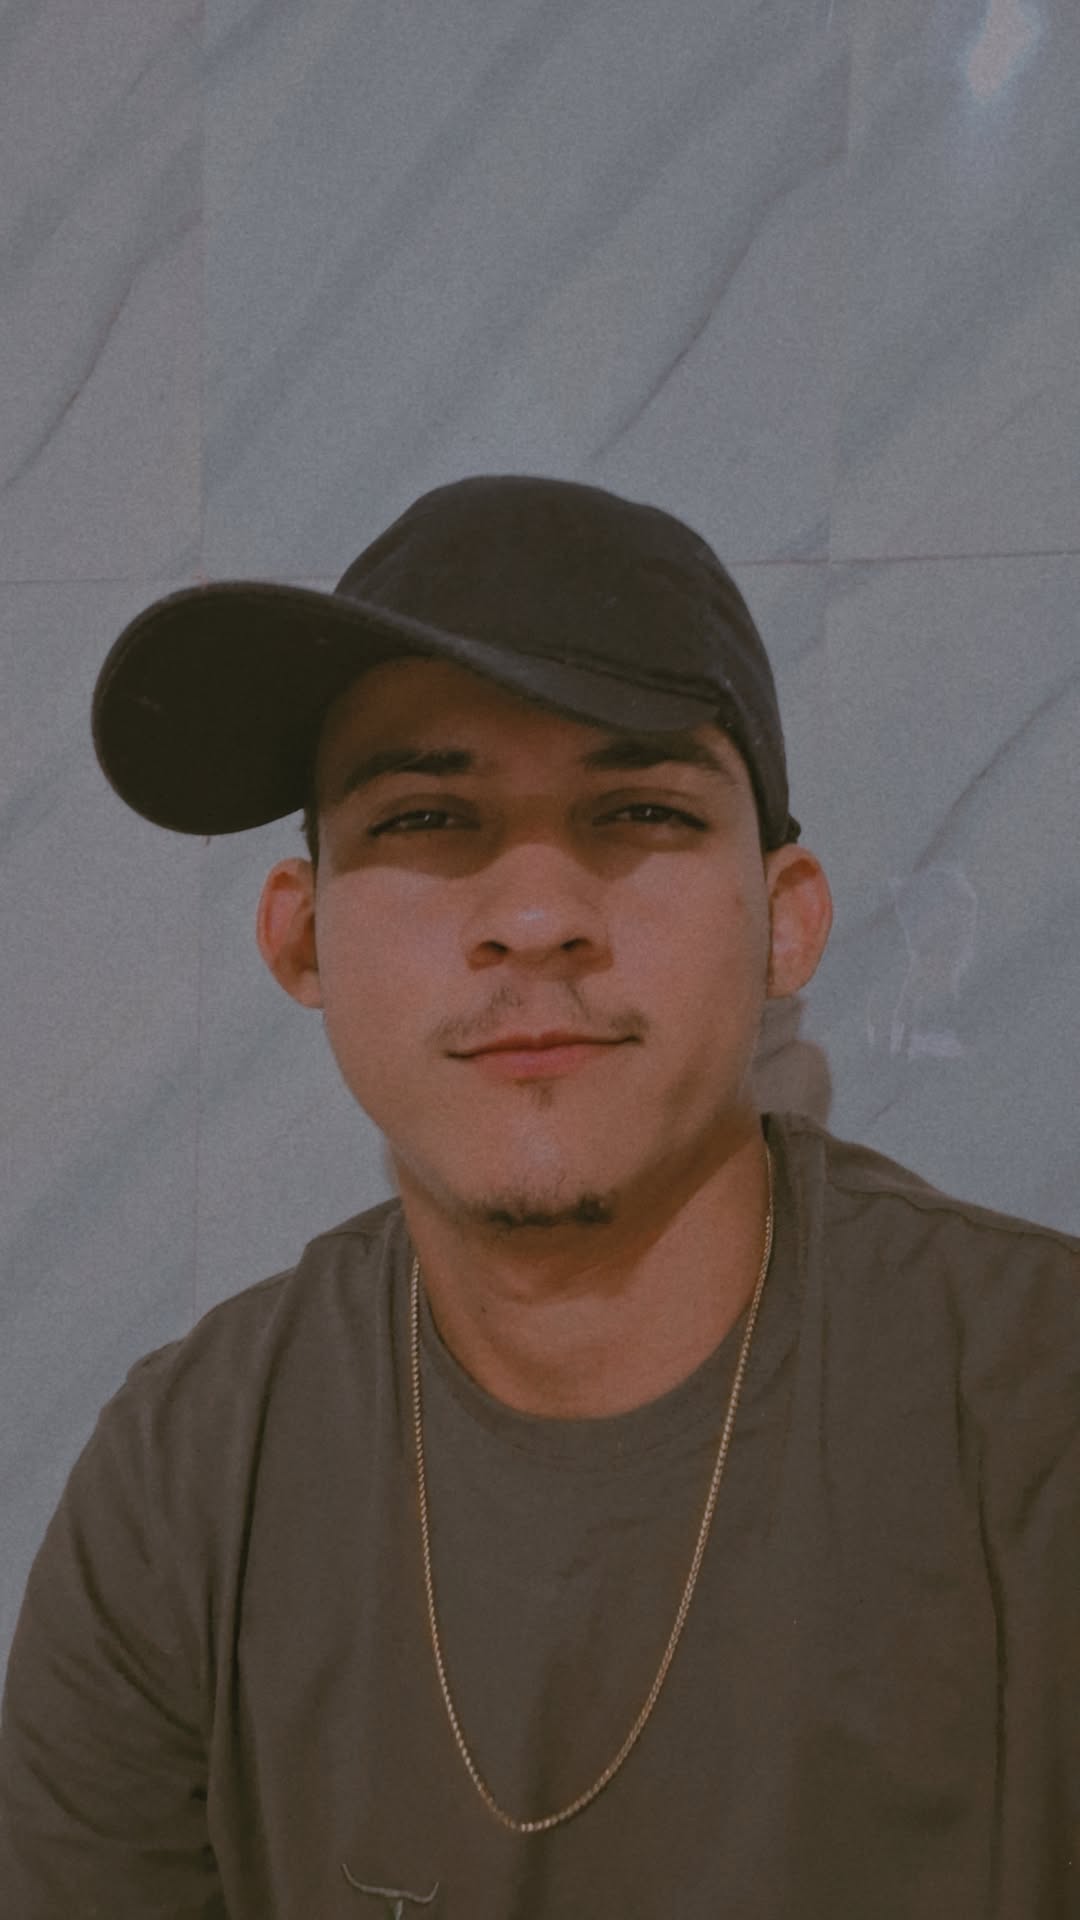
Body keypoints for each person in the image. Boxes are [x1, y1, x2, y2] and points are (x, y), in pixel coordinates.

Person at [1, 475, 1078, 1919]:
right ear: (302, 938)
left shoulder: (1035, 1413)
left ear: (786, 923)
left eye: (637, 809)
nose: (533, 915)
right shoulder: (186, 1484)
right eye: (427, 816)